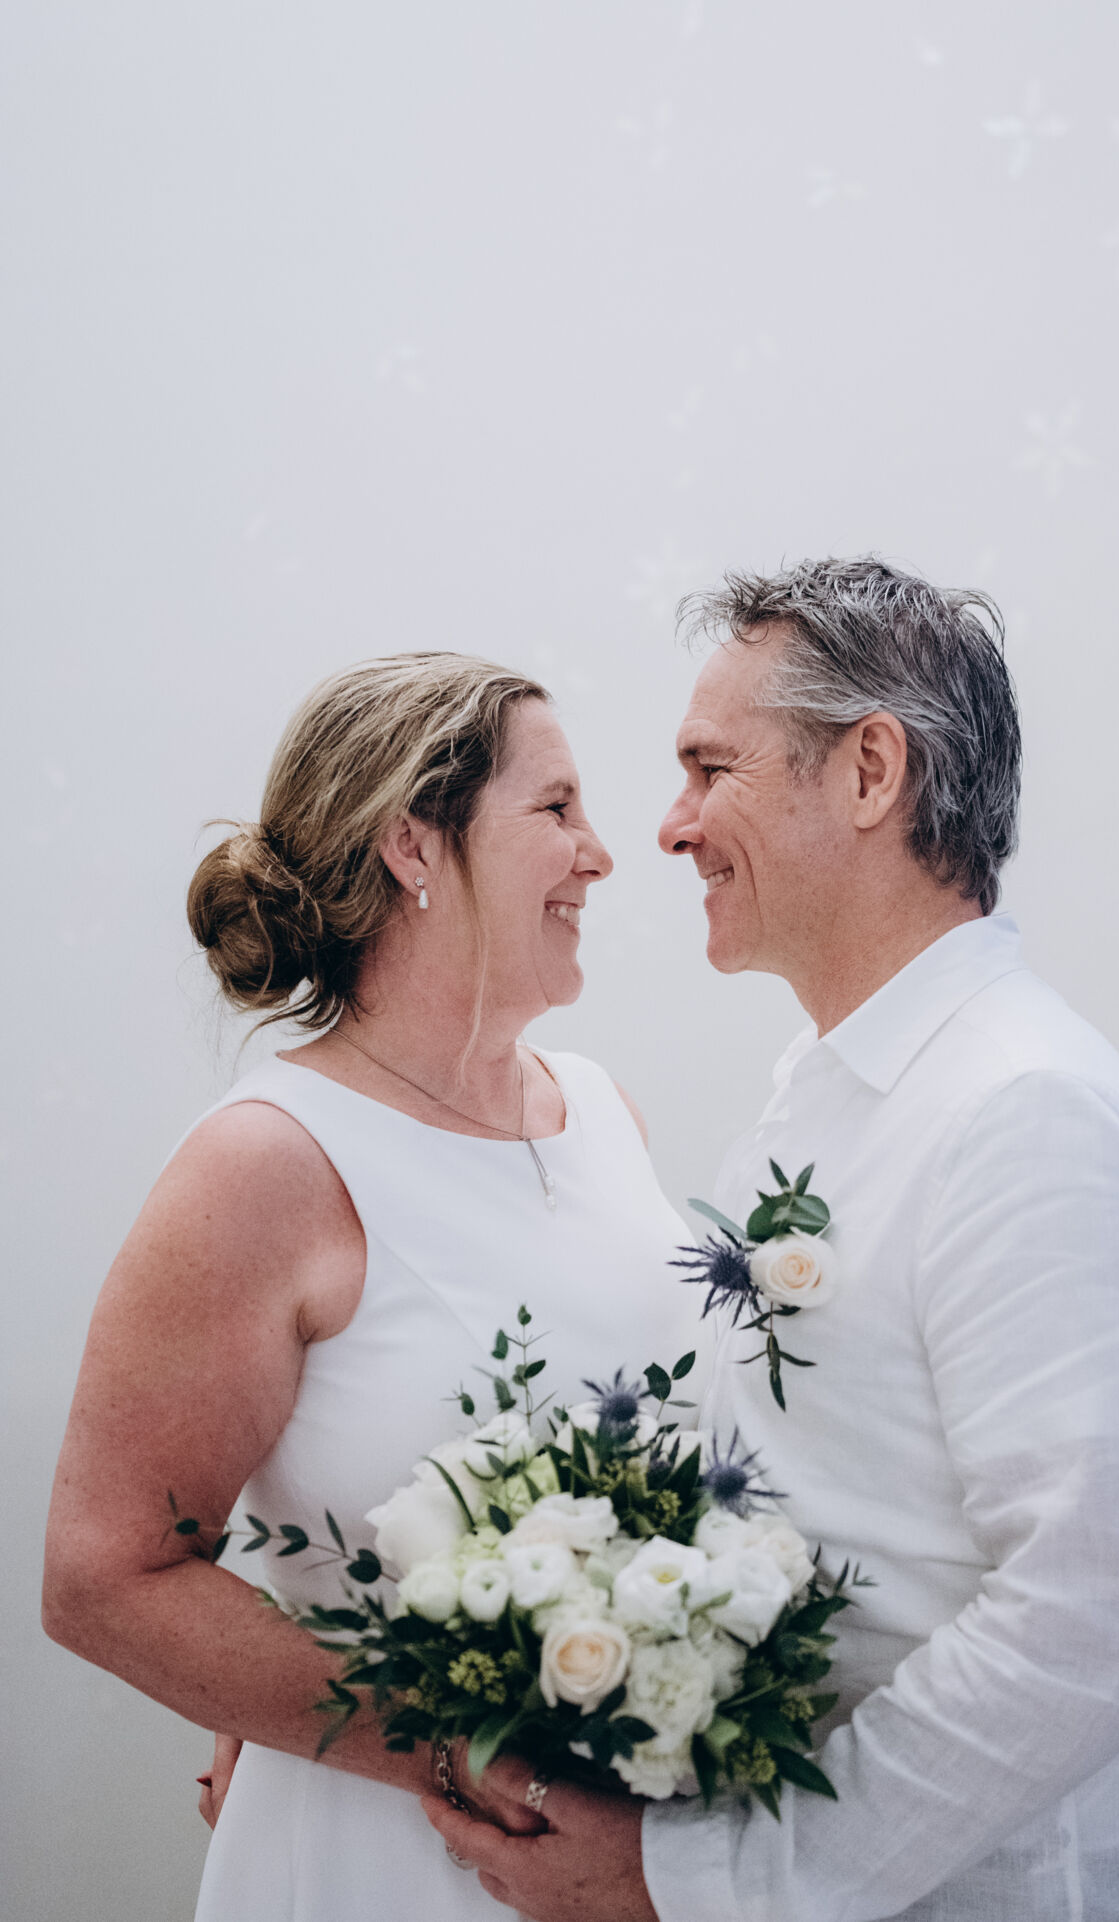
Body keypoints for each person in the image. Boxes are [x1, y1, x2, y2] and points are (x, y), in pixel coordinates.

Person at [427, 558, 1119, 1921]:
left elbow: (1086, 1623)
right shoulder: (825, 1088)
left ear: (869, 772)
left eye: (709, 767)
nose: (669, 827)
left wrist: (699, 1880)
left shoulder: (1030, 1115)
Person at [42, 651, 705, 1920]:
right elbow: (103, 1576)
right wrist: (451, 1748)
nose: (601, 853)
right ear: (414, 844)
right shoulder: (266, 1162)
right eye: (555, 806)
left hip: (620, 1850)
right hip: (383, 1853)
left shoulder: (599, 1111)